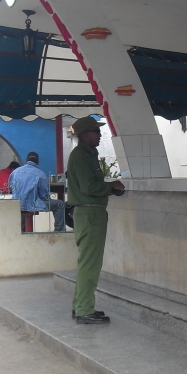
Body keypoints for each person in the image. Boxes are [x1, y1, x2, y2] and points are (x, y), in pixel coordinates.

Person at [66, 116, 125, 324]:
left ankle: (80, 306)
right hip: (89, 213)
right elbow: (88, 187)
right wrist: (111, 187)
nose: (100, 135)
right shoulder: (81, 156)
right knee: (90, 264)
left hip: (90, 213)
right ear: (84, 135)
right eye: (96, 132)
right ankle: (84, 310)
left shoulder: (87, 154)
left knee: (87, 263)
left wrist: (110, 188)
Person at [9, 151, 66, 232]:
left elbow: (11, 187)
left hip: (16, 203)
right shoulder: (40, 174)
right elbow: (44, 195)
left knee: (22, 204)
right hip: (32, 204)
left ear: (26, 161)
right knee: (60, 204)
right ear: (38, 162)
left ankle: (22, 230)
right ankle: (59, 231)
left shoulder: (15, 172)